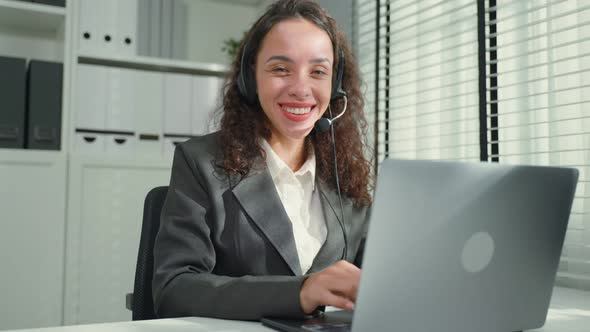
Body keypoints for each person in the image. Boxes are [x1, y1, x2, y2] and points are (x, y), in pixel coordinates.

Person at [152, 0, 374, 321]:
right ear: (250, 77)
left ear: (335, 86)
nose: (301, 88)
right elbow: (174, 288)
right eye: (281, 69)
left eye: (318, 72)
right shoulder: (200, 162)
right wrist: (300, 292)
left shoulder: (347, 176)